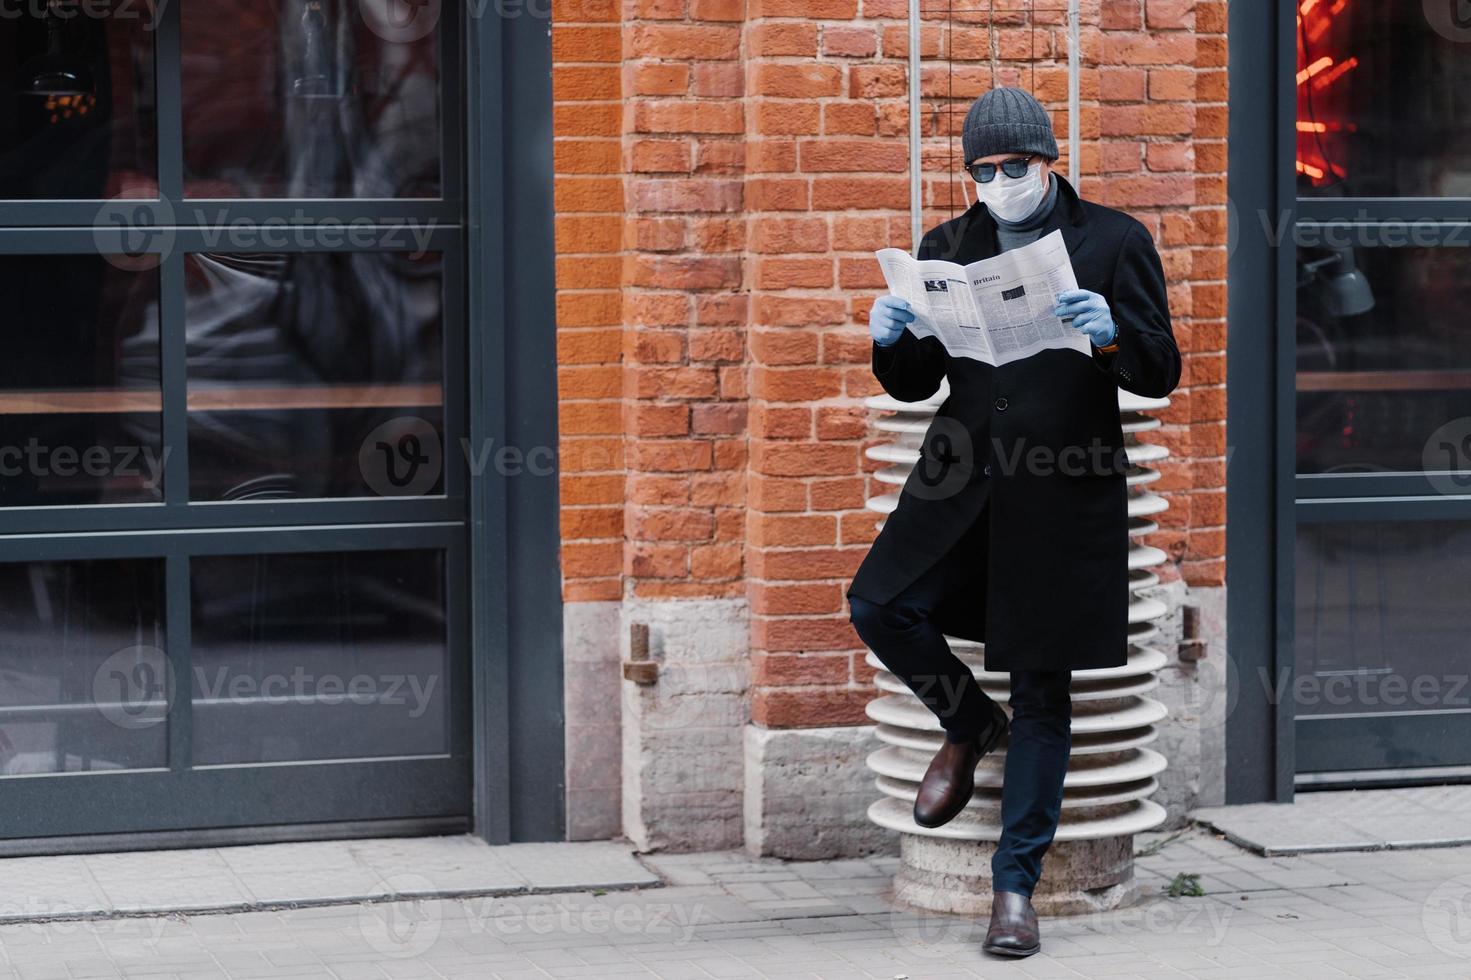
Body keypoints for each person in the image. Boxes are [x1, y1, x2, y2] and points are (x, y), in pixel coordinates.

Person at [846, 86, 1181, 958]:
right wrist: (889, 336)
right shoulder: (945, 247)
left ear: (1048, 160)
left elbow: (1157, 371)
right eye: (983, 169)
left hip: (1063, 485)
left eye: (1013, 167)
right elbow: (914, 384)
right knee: (879, 605)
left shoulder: (1112, 240)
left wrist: (1110, 334)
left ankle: (1013, 889)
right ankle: (966, 724)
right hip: (956, 475)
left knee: (1042, 689)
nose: (998, 182)